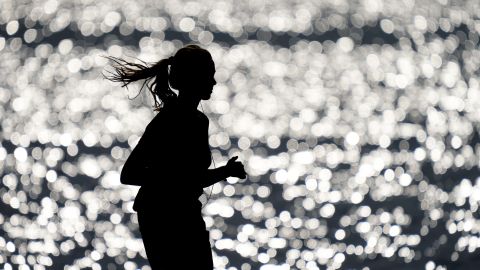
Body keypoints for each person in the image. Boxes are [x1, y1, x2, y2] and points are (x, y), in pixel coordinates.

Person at [104, 44, 247, 269]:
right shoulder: (168, 120)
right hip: (161, 218)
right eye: (209, 76)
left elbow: (191, 179)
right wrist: (218, 173)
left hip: (185, 213)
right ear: (194, 78)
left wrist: (225, 172)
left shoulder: (199, 121)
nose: (214, 82)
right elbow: (129, 174)